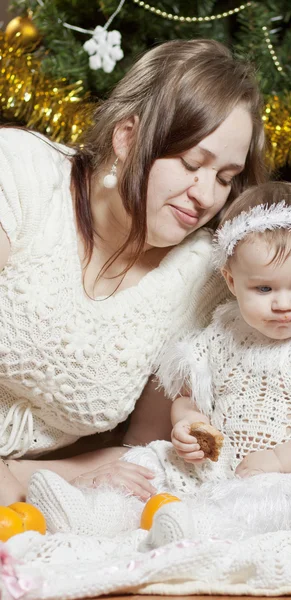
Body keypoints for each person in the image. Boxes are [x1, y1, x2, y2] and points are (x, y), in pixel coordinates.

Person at [28, 181, 291, 544]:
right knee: (152, 465)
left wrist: (280, 461)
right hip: (219, 464)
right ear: (231, 280)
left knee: (270, 504)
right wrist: (190, 424)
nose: (283, 304)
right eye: (264, 289)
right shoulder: (223, 332)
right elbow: (189, 396)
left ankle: (196, 528)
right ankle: (93, 513)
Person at [0, 38, 268, 505]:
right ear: (127, 138)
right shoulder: (19, 173)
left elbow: (143, 448)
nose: (205, 195)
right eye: (191, 163)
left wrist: (23, 477)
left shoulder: (202, 276)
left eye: (225, 177)